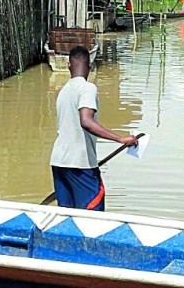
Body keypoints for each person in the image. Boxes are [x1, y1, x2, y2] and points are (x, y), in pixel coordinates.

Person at [50, 46, 138, 211]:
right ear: (89, 67)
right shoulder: (87, 88)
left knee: (67, 217)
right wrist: (120, 139)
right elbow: (86, 121)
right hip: (80, 165)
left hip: (58, 162)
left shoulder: (63, 91)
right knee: (93, 219)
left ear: (69, 65)